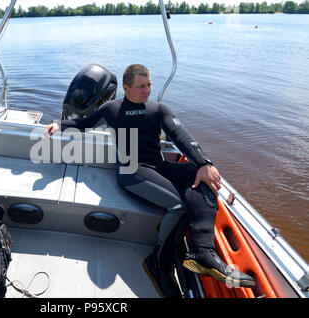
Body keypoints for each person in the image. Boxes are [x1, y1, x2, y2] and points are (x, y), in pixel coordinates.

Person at [44, 64, 255, 297]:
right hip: (131, 171)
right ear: (126, 88)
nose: (147, 91)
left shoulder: (158, 109)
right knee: (179, 206)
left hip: (158, 166)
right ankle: (157, 263)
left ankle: (202, 252)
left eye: (149, 85)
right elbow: (84, 124)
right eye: (141, 86)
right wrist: (59, 125)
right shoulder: (111, 109)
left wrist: (204, 163)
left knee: (202, 177)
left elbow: (180, 136)